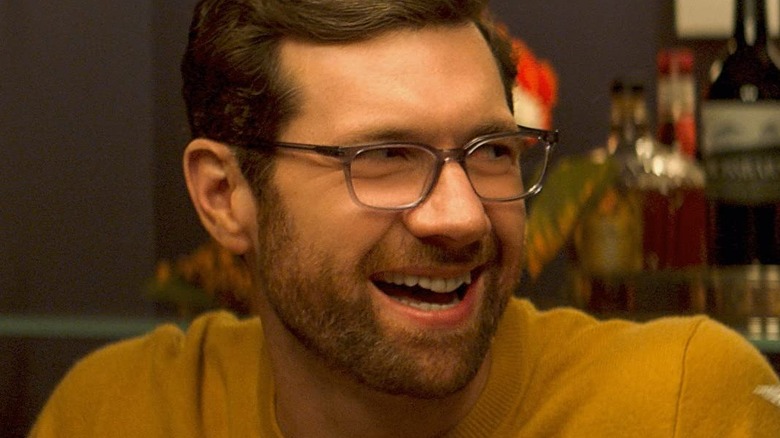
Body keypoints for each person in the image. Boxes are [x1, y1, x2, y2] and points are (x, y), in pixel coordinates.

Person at [30, 0, 780, 436]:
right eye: (385, 156)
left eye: (491, 150)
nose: (462, 218)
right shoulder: (118, 413)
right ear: (226, 197)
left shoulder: (681, 407)